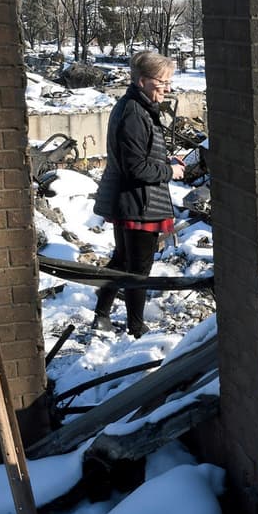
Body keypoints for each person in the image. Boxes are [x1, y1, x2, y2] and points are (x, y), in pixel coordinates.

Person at [91, 51, 185, 338]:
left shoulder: (136, 106)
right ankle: (136, 327)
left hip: (132, 200)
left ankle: (102, 315)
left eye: (169, 81)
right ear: (143, 80)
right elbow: (136, 168)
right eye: (162, 81)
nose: (167, 88)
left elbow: (140, 159)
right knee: (138, 269)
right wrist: (170, 172)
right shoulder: (134, 112)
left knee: (122, 260)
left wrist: (165, 163)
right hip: (137, 203)